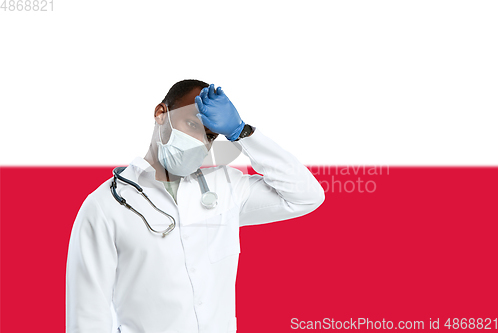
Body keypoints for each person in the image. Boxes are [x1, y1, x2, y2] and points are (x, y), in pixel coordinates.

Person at [66, 79, 325, 333]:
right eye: (192, 124)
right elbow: (87, 316)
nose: (200, 141)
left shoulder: (226, 188)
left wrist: (241, 132)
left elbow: (306, 195)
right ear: (160, 114)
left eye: (210, 135)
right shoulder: (105, 206)